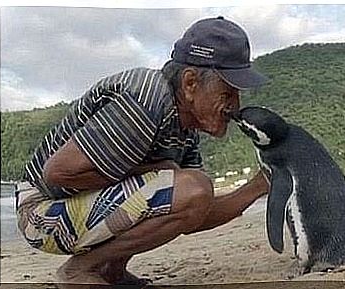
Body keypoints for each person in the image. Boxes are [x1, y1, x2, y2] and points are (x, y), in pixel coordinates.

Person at [16, 16, 270, 286]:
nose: (235, 105)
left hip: (73, 209)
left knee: (192, 188)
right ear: (190, 83)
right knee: (190, 185)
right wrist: (151, 170)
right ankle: (79, 270)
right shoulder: (144, 96)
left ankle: (110, 271)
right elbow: (57, 175)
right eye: (228, 93)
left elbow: (194, 211)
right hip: (40, 212)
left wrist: (258, 186)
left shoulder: (184, 130)